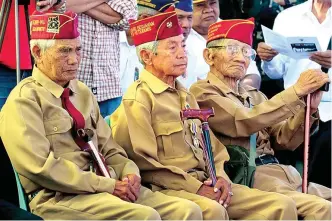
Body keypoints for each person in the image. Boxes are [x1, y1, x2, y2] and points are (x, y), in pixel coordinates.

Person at [0, 10, 203, 220]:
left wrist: (129, 172)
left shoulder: (82, 92)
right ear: (37, 52)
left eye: (78, 50)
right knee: (145, 217)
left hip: (108, 186)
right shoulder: (24, 100)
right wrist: (107, 185)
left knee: (188, 211)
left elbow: (110, 147)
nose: (73, 59)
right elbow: (41, 168)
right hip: (61, 198)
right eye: (64, 51)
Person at [111, 8, 299, 220]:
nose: (182, 53)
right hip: (167, 188)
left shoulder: (185, 95)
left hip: (206, 181)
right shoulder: (140, 98)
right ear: (147, 56)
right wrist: (197, 187)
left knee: (281, 205)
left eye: (182, 45)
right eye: (172, 48)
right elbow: (146, 164)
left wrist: (220, 176)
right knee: (213, 210)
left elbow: (214, 149)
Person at [190, 18, 332, 220]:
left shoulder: (254, 95)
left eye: (247, 52)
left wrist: (308, 108)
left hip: (284, 173)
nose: (241, 58)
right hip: (251, 176)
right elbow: (244, 121)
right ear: (209, 56)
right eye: (232, 49)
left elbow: (284, 140)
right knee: (323, 210)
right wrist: (295, 91)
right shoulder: (203, 92)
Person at [257, 0, 331, 187]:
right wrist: (268, 59)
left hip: (329, 108)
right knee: (290, 178)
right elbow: (276, 71)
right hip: (295, 107)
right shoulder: (288, 17)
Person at [65, 0, 137, 117]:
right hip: (71, 86)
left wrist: (78, 5)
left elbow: (128, 18)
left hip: (109, 87)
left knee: (112, 134)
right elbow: (59, 5)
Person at [120, 0, 197, 91]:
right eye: (168, 21)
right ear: (144, 19)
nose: (183, 25)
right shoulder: (106, 46)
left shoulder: (185, 54)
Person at [186, 0, 262, 89]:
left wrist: (240, 96)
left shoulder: (233, 29)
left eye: (213, 3)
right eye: (200, 5)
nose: (209, 9)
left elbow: (252, 75)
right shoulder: (179, 38)